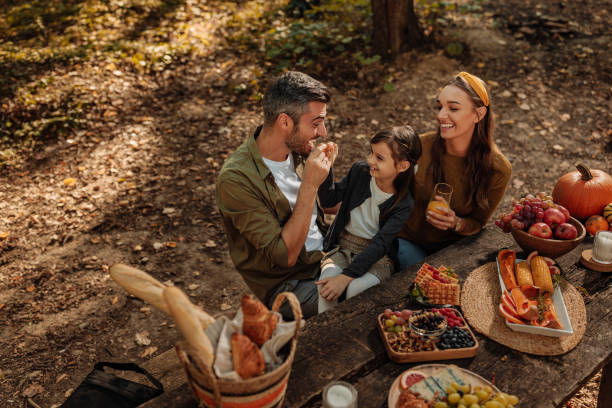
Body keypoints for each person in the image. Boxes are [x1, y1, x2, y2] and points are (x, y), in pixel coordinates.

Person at [216, 71, 337, 319]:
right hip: (290, 285)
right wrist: (310, 186)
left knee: (394, 255)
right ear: (284, 122)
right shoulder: (236, 179)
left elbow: (329, 208)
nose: (322, 132)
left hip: (327, 255)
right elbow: (286, 256)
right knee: (366, 291)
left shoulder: (300, 150)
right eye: (315, 124)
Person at [396, 71, 512, 271]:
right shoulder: (420, 146)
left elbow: (478, 222)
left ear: (479, 114)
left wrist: (456, 223)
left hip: (453, 250)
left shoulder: (498, 169)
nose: (441, 115)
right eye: (439, 106)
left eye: (453, 108)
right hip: (407, 240)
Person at [316, 126, 422, 312]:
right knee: (325, 289)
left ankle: (349, 334)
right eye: (372, 153)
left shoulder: (404, 203)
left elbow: (380, 244)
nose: (370, 160)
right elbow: (328, 201)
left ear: (403, 166)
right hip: (343, 247)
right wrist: (327, 170)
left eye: (379, 158)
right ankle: (326, 338)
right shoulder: (360, 172)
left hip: (377, 258)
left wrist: (346, 277)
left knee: (355, 291)